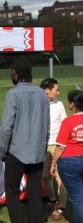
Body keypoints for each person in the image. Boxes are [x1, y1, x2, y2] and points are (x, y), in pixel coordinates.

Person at [0, 57, 49, 223]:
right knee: (34, 192)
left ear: (15, 73)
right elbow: (46, 125)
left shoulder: (13, 94)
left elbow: (6, 127)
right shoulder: (42, 94)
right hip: (37, 150)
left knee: (12, 191)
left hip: (16, 151)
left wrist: (3, 150)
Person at [50, 90, 83, 223]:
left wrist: (53, 163)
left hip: (69, 162)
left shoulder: (68, 121)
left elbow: (61, 146)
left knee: (78, 199)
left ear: (72, 105)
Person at [40, 78, 68, 221]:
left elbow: (65, 124)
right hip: (41, 146)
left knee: (58, 177)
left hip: (56, 145)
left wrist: (62, 145)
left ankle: (62, 208)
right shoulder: (37, 104)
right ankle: (52, 200)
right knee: (45, 177)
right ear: (47, 90)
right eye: (56, 89)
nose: (58, 92)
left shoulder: (59, 104)